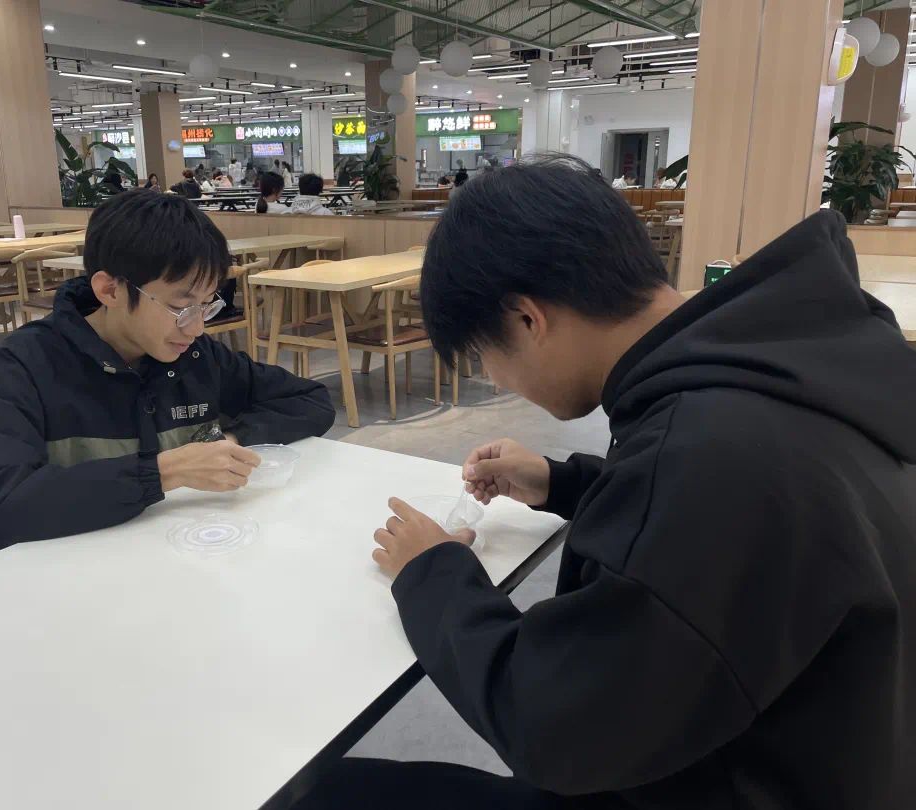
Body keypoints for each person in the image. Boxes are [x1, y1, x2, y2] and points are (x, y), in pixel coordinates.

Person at [297, 156, 916, 809]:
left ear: (527, 319)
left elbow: (554, 727)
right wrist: (563, 483)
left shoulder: (709, 460)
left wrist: (432, 572)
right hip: (808, 755)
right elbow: (703, 545)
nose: (498, 380)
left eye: (485, 356)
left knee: (317, 795)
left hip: (709, 783)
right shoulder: (766, 370)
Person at [0, 190, 335, 552]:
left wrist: (230, 442)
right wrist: (165, 471)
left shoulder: (197, 357)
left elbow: (310, 400)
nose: (196, 328)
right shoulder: (28, 363)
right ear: (110, 290)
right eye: (180, 307)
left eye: (206, 306)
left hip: (169, 563)